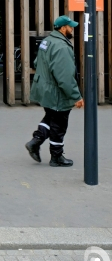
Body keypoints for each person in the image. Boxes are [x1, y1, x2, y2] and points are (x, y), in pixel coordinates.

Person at [25, 15, 84, 167]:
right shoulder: (62, 47)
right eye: (71, 27)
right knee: (59, 123)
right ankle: (56, 157)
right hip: (56, 93)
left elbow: (37, 62)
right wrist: (76, 96)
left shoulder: (47, 41)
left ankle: (35, 142)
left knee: (51, 117)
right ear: (63, 28)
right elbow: (65, 76)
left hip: (44, 89)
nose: (73, 29)